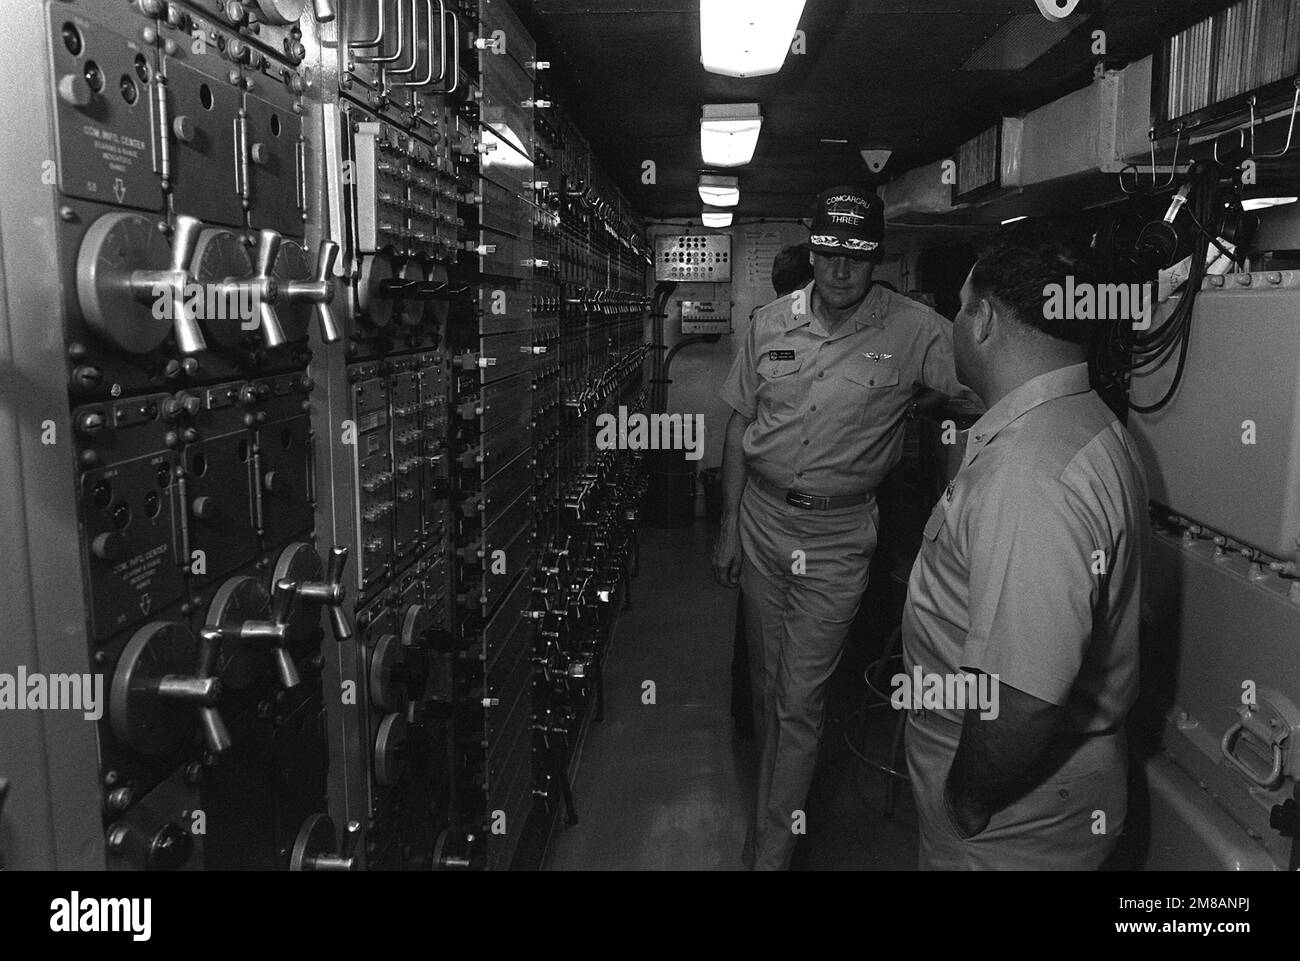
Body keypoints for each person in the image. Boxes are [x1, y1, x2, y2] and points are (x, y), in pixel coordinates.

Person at [713, 186, 979, 870]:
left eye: (856, 256)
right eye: (830, 252)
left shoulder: (915, 331)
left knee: (800, 698)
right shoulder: (769, 324)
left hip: (836, 539)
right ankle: (771, 816)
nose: (839, 270)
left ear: (876, 259)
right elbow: (741, 421)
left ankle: (768, 852)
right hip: (762, 518)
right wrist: (726, 529)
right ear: (813, 249)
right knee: (768, 685)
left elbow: (989, 384)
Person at [901, 223, 1149, 870]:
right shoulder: (1086, 422)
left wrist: (967, 801)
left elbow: (1022, 699)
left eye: (959, 307)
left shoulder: (1028, 477)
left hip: (1009, 823)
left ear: (982, 320)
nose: (954, 322)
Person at [731, 245, 815, 741]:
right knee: (768, 637)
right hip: (768, 510)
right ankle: (766, 720)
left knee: (765, 640)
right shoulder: (766, 325)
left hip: (816, 517)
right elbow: (741, 421)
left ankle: (761, 719)